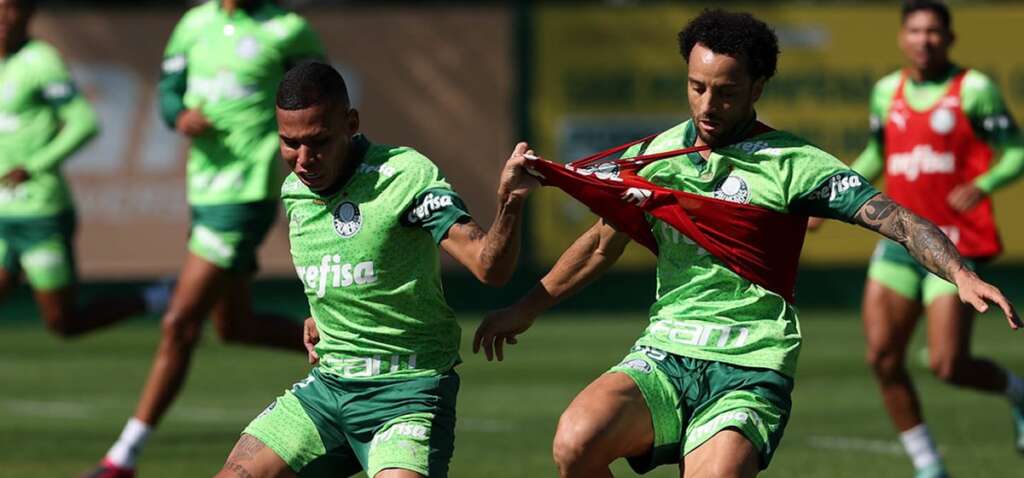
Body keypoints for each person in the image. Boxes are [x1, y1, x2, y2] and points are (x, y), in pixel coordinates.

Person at [473, 8, 1019, 478]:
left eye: (727, 92)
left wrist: (962, 273)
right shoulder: (657, 157)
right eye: (697, 87)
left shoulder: (793, 164)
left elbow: (899, 220)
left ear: (757, 90)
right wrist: (525, 308)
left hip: (751, 363)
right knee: (574, 444)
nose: (708, 105)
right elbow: (599, 244)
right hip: (665, 352)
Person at [212, 61, 534, 478]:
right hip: (327, 392)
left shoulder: (403, 175)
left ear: (351, 123)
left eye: (319, 142)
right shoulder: (295, 191)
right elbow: (343, 269)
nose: (304, 160)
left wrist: (510, 203)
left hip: (408, 395)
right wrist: (321, 316)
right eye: (290, 144)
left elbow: (489, 266)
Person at [88, 1, 326, 476]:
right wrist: (179, 116)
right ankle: (347, 345)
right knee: (234, 327)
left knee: (179, 321)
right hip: (203, 186)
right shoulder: (194, 23)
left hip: (245, 191)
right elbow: (169, 91)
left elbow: (321, 103)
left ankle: (123, 457)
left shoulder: (286, 29)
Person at [841, 1, 1024, 476]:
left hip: (953, 248)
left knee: (947, 363)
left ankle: (1018, 392)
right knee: (882, 357)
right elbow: (877, 153)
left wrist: (983, 184)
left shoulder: (974, 89)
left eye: (934, 32)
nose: (924, 40)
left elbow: (1016, 151)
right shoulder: (887, 92)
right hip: (898, 245)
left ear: (949, 38)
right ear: (903, 37)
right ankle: (929, 468)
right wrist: (832, 194)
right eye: (916, 31)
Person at [0, 0, 148, 335]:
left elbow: (83, 122)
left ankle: (153, 298)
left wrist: (34, 165)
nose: (4, 18)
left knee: (63, 323)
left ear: (28, 12)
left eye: (11, 8)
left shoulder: (40, 60)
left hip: (39, 212)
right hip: (2, 217)